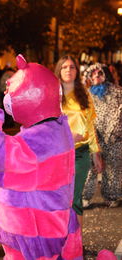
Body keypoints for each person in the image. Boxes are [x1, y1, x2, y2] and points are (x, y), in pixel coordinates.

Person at [0, 55, 82, 259]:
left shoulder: (40, 141)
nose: (6, 94)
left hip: (33, 236)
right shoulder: (52, 129)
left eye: (10, 89)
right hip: (42, 230)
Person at [54, 56, 103, 226]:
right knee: (59, 198)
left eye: (72, 67)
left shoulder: (84, 95)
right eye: (65, 67)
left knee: (74, 197)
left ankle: (76, 243)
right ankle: (60, 241)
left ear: (77, 70)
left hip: (80, 155)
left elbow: (90, 126)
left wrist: (95, 153)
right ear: (59, 71)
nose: (68, 70)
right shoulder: (52, 95)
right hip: (57, 154)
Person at [82, 63, 122, 208]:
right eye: (93, 74)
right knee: (90, 167)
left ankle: (112, 195)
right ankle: (84, 196)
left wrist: (115, 131)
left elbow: (119, 112)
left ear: (105, 75)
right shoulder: (86, 94)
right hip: (94, 137)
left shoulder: (117, 92)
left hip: (114, 137)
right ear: (89, 77)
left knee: (113, 167)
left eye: (99, 74)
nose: (96, 77)